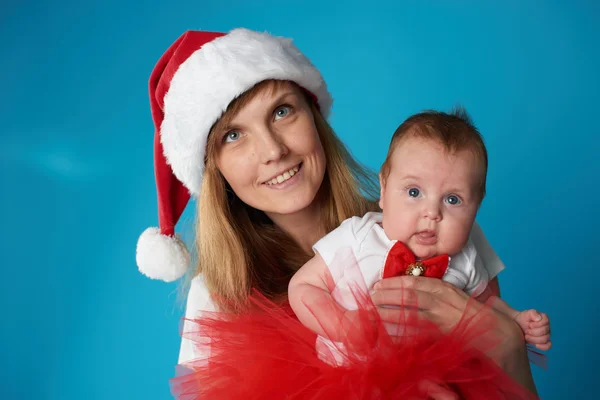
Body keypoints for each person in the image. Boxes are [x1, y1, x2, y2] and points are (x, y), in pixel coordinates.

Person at [135, 28, 539, 398]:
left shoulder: (437, 224)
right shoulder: (218, 297)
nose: (273, 150)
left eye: (281, 111)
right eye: (233, 135)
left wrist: (507, 346)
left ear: (313, 115)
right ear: (214, 168)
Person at [288, 108, 551, 366]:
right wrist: (341, 323)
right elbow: (303, 287)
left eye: (452, 199)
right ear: (384, 188)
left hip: (429, 375)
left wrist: (516, 318)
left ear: (476, 208)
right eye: (414, 192)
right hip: (345, 376)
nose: (432, 212)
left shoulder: (467, 258)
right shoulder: (358, 237)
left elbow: (487, 305)